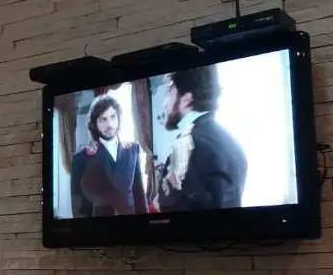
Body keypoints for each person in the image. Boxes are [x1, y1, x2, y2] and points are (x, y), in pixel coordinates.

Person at [155, 66, 247, 212]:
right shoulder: (234, 144)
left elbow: (167, 211)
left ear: (186, 99)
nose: (165, 103)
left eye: (169, 92)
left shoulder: (186, 144)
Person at [69, 94, 147, 217]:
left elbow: (140, 194)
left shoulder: (133, 149)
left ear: (118, 117)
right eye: (103, 119)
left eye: (113, 117)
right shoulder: (80, 158)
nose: (110, 124)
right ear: (95, 123)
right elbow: (78, 204)